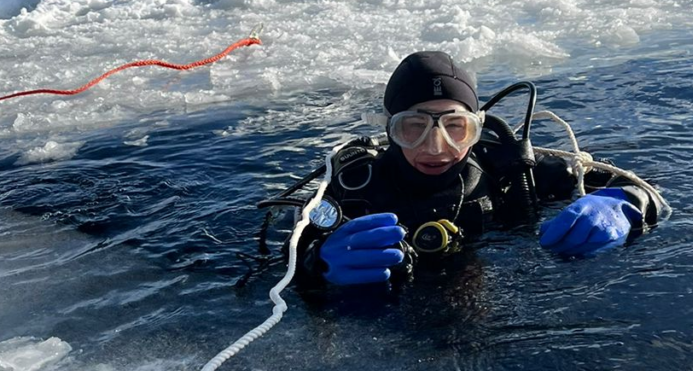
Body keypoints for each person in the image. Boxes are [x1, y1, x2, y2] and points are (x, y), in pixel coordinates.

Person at [263, 51, 664, 287]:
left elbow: (649, 193)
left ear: (478, 127)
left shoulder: (510, 173)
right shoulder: (354, 188)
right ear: (389, 129)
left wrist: (625, 205)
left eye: (456, 127)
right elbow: (277, 257)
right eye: (414, 127)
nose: (436, 147)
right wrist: (317, 266)